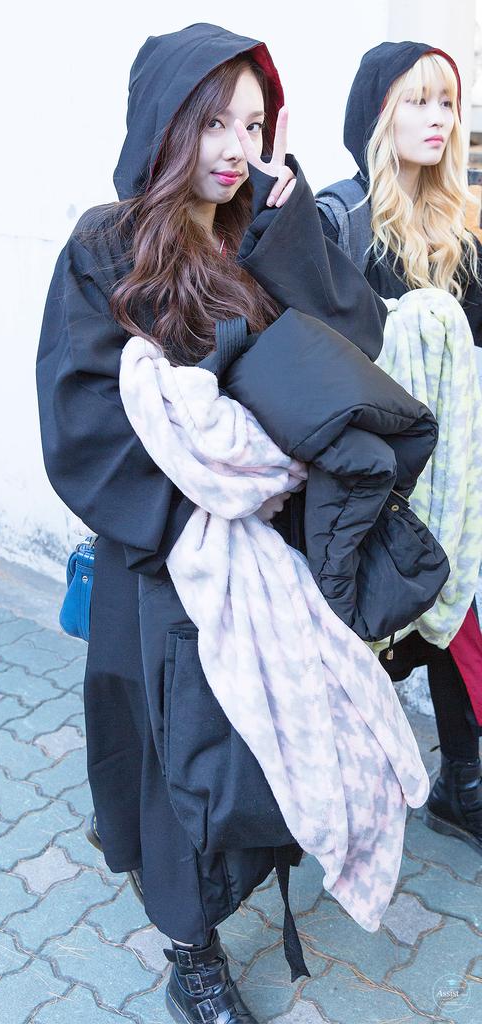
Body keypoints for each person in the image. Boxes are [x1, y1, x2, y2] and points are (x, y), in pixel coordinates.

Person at [37, 24, 418, 1024]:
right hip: (167, 561)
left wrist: (294, 240)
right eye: (214, 122)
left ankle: (235, 882)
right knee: (179, 762)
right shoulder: (105, 248)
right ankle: (190, 953)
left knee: (259, 745)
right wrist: (204, 499)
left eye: (253, 125)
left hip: (269, 554)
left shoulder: (262, 233)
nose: (235, 147)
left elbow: (354, 346)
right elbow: (81, 417)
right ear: (166, 124)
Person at [317, 41, 482, 855]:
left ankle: (462, 782)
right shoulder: (340, 220)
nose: (437, 118)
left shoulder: (460, 229)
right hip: (373, 474)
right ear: (377, 115)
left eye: (447, 102)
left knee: (458, 609)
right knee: (363, 638)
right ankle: (337, 797)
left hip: (452, 474)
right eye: (416, 101)